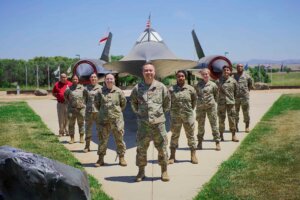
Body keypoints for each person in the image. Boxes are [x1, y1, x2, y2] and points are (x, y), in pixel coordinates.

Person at [130, 62, 171, 182]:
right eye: (146, 70)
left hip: (159, 125)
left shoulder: (161, 87)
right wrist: (139, 114)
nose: (148, 72)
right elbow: (133, 103)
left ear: (154, 72)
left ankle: (164, 171)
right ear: (142, 73)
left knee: (162, 148)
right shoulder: (137, 88)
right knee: (141, 149)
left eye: (150, 70)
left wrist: (160, 115)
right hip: (143, 125)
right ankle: (141, 171)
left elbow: (167, 103)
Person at [94, 74, 127, 167]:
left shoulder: (119, 91)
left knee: (119, 139)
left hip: (117, 120)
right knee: (102, 140)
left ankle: (121, 157)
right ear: (105, 80)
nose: (109, 80)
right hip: (103, 121)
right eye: (107, 79)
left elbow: (123, 104)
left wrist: (115, 113)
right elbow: (97, 104)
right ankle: (100, 159)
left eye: (111, 79)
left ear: (114, 80)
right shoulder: (100, 92)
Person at [168, 70, 198, 164]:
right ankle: (172, 156)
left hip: (188, 116)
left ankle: (193, 155)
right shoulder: (171, 89)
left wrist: (188, 110)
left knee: (191, 136)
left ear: (185, 77)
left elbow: (194, 101)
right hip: (175, 117)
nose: (181, 78)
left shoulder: (190, 89)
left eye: (182, 76)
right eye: (179, 76)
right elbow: (168, 102)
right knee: (174, 136)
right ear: (176, 77)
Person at [195, 68, 221, 151]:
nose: (205, 75)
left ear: (209, 74)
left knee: (214, 125)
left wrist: (215, 104)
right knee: (200, 126)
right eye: (203, 74)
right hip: (201, 108)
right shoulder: (198, 85)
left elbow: (216, 95)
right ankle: (199, 142)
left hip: (211, 108)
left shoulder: (213, 85)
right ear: (201, 75)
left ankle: (217, 142)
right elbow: (197, 95)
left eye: (206, 74)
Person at [216, 66, 239, 142]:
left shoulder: (233, 81)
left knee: (232, 119)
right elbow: (215, 92)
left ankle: (233, 135)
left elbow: (236, 92)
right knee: (221, 119)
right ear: (222, 71)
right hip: (221, 103)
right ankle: (221, 135)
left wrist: (232, 99)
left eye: (227, 70)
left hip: (230, 103)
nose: (226, 71)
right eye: (224, 70)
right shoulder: (218, 81)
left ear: (230, 71)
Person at [83, 73, 102, 153]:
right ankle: (87, 146)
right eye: (92, 77)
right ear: (90, 79)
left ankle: (101, 147)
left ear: (97, 79)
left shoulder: (101, 88)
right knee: (88, 129)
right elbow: (85, 100)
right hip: (89, 112)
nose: (93, 78)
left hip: (99, 113)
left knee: (100, 130)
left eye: (95, 77)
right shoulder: (86, 88)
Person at [64, 74, 85, 144]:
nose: (75, 80)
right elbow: (65, 97)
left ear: (78, 80)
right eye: (73, 79)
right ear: (71, 80)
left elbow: (86, 96)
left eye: (76, 79)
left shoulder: (82, 88)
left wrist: (82, 104)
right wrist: (71, 103)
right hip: (71, 109)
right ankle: (72, 138)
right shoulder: (68, 89)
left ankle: (81, 137)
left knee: (81, 123)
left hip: (80, 110)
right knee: (71, 124)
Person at [234, 64, 254, 133]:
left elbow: (250, 84)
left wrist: (246, 92)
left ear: (243, 68)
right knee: (235, 113)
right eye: (238, 66)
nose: (240, 67)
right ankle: (235, 126)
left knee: (246, 112)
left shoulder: (247, 76)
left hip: (244, 97)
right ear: (236, 68)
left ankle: (247, 126)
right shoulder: (233, 76)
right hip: (236, 98)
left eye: (241, 66)